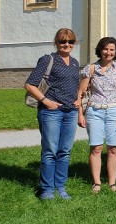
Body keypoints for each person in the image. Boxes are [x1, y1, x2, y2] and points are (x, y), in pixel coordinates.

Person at [25, 28, 81, 200]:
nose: (67, 45)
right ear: (56, 42)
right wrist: (46, 101)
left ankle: (61, 187)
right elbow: (30, 84)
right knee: (50, 151)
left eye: (70, 42)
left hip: (70, 112)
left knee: (65, 151)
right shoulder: (48, 59)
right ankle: (47, 189)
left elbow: (75, 85)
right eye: (63, 41)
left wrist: (78, 101)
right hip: (51, 112)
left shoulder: (74, 62)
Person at [77, 37, 116, 193]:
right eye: (105, 49)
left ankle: (112, 183)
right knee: (96, 148)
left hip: (114, 111)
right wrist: (80, 114)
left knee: (113, 148)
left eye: (112, 49)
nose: (108, 52)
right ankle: (97, 182)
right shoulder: (90, 69)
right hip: (95, 111)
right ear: (100, 50)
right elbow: (80, 93)